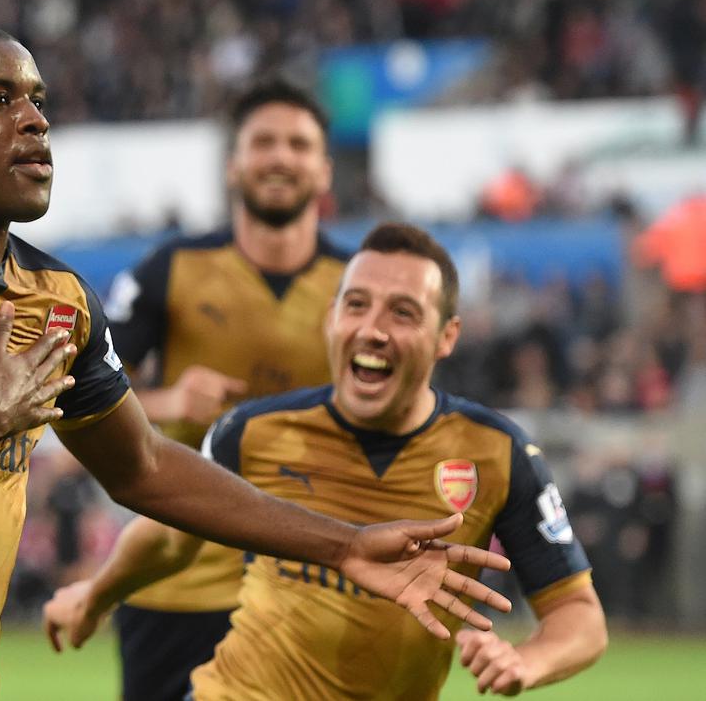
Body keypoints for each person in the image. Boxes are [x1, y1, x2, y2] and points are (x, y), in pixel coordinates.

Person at [0, 22, 511, 701]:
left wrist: (343, 543)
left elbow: (145, 468)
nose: (34, 121)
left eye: (37, 101)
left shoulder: (59, 295)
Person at [44, 223, 608, 700]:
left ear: (447, 337)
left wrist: (525, 662)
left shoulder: (497, 453)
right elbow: (170, 539)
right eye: (356, 305)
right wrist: (95, 596)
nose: (372, 329)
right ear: (331, 320)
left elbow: (579, 614)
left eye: (403, 312)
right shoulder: (251, 432)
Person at [100, 79, 350, 701]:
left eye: (298, 144)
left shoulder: (357, 286)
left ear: (324, 171)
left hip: (313, 584)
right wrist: (164, 402)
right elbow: (77, 389)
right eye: (263, 141)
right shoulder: (170, 268)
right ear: (233, 165)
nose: (280, 157)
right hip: (176, 583)